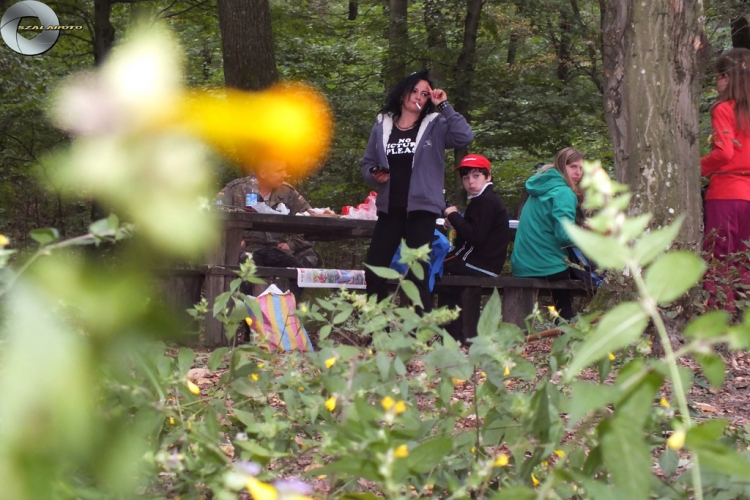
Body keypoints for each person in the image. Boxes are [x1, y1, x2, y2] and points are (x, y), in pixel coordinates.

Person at [362, 69, 473, 311]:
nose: (419, 97)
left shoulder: (436, 125)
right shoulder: (382, 126)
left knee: (418, 274)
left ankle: (417, 334)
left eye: (425, 94)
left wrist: (443, 105)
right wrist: (374, 175)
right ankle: (378, 330)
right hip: (390, 209)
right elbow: (367, 164)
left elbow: (464, 136)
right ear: (403, 93)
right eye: (414, 91)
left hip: (422, 210)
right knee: (374, 269)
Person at [216, 161, 321, 301]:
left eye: (285, 170)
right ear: (263, 173)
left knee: (300, 268)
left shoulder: (287, 192)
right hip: (247, 249)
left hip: (276, 250)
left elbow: (310, 219)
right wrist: (231, 239)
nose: (284, 175)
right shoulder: (236, 189)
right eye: (279, 170)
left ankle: (285, 313)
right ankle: (250, 318)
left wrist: (292, 244)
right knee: (249, 269)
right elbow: (212, 214)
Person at [438, 154, 512, 342]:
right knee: (438, 268)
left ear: (488, 177)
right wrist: (456, 222)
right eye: (466, 177)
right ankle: (452, 335)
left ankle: (452, 337)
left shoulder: (486, 201)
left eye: (476, 175)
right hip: (481, 261)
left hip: (481, 263)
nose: (470, 181)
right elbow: (474, 231)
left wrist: (454, 216)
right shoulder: (481, 199)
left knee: (437, 269)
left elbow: (476, 237)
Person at [701, 48, 750, 311]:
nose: (717, 84)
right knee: (745, 260)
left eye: (717, 77)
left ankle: (720, 320)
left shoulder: (723, 108)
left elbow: (724, 152)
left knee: (719, 258)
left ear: (727, 77)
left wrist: (697, 168)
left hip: (727, 194)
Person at [510, 147, 584, 320]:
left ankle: (560, 324)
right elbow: (564, 236)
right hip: (546, 265)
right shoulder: (564, 192)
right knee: (591, 275)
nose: (578, 173)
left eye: (581, 168)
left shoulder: (540, 187)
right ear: (561, 166)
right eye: (573, 167)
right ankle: (566, 324)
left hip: (521, 264)